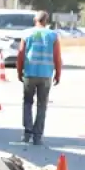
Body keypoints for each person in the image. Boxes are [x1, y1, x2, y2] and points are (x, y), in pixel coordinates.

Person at [16, 10, 62, 146]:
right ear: (46, 21)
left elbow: (20, 55)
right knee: (42, 105)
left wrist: (19, 72)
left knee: (28, 102)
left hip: (30, 73)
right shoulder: (53, 35)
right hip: (46, 75)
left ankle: (27, 132)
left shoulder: (26, 33)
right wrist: (58, 73)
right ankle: (37, 136)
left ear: (35, 20)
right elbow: (57, 58)